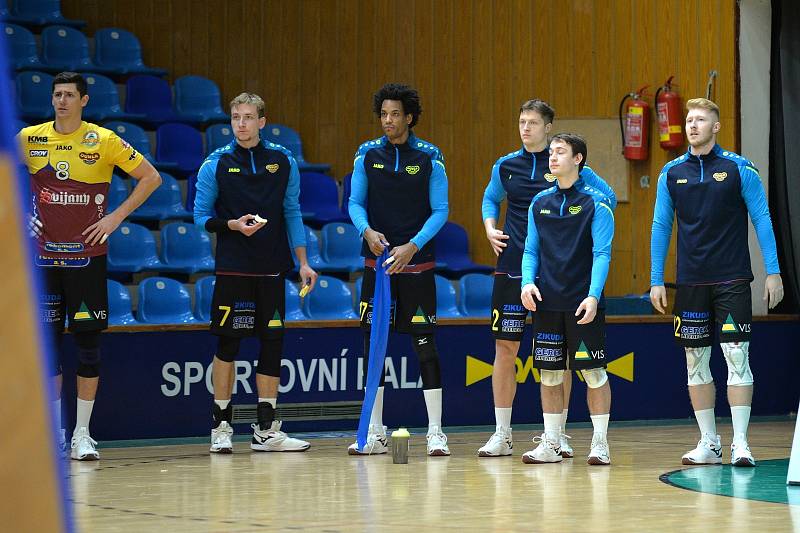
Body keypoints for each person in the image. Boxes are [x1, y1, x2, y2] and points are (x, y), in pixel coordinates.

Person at [18, 71, 162, 460]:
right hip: (43, 260)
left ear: (84, 100)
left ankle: (82, 434)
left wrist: (116, 217)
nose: (62, 101)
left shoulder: (104, 140)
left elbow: (151, 177)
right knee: (46, 348)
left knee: (87, 348)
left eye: (69, 95)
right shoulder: (30, 138)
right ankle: (53, 434)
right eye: (57, 94)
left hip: (87, 259)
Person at [649, 98, 783, 467]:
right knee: (696, 360)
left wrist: (774, 272)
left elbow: (763, 220)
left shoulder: (740, 169)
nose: (692, 125)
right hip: (690, 283)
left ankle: (741, 443)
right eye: (689, 119)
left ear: (716, 126)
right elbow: (661, 226)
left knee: (737, 357)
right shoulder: (671, 174)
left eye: (700, 119)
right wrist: (656, 279)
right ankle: (709, 442)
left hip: (732, 279)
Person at [479, 100, 616, 457]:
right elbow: (490, 200)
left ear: (548, 126)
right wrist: (490, 229)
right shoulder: (507, 167)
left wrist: (582, 212)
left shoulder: (579, 179)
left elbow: (609, 203)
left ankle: (569, 437)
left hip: (567, 280)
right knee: (513, 351)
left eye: (533, 122)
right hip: (521, 274)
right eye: (521, 121)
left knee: (575, 362)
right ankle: (506, 434)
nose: (525, 128)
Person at [194, 92, 318, 454]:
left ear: (262, 122)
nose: (242, 124)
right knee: (228, 344)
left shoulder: (283, 161)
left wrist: (303, 262)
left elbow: (292, 212)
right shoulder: (215, 163)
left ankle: (266, 430)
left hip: (272, 269)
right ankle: (221, 426)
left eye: (248, 117)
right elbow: (201, 216)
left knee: (272, 345)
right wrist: (231, 224)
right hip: (233, 268)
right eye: (236, 117)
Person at [348, 83, 450, 456]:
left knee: (425, 347)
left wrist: (413, 246)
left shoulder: (429, 158)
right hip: (378, 270)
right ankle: (374, 431)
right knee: (373, 349)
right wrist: (366, 231)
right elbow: (355, 202)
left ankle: (435, 432)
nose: (388, 121)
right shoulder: (366, 155)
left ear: (409, 117)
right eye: (383, 114)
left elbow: (441, 210)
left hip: (417, 267)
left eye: (395, 114)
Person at [521, 133, 614, 465]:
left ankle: (600, 443)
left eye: (561, 152)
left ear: (578, 160)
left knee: (593, 373)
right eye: (551, 152)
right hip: (547, 301)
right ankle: (552, 443)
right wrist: (527, 283)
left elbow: (602, 254)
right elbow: (531, 249)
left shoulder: (597, 204)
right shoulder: (539, 203)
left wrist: (593, 296)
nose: (553, 157)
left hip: (581, 303)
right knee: (549, 375)